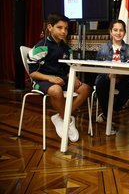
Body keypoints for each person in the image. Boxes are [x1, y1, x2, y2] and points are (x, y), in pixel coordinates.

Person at [28, 12, 91, 142]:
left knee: (85, 89)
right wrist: (50, 78)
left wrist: (73, 77)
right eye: (60, 27)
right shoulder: (41, 46)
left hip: (62, 79)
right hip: (42, 80)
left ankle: (61, 118)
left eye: (66, 28)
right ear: (50, 27)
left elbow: (68, 69)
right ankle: (68, 120)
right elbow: (32, 72)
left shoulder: (67, 49)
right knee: (56, 90)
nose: (64, 31)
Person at [94, 19, 129, 133]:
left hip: (122, 78)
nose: (118, 33)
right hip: (105, 78)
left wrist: (119, 75)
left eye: (121, 30)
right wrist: (108, 75)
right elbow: (97, 67)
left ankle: (111, 111)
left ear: (124, 32)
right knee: (100, 84)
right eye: (115, 30)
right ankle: (108, 118)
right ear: (110, 32)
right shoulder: (103, 48)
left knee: (128, 87)